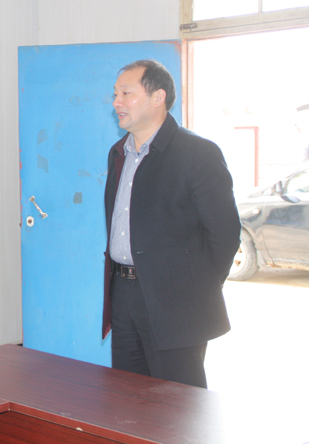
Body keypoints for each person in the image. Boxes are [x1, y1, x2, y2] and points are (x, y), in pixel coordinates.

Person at [103, 59, 240, 388]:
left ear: (158, 97)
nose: (116, 102)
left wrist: (195, 286)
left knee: (178, 401)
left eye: (126, 93)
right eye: (115, 94)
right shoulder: (119, 152)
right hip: (124, 293)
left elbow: (225, 234)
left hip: (177, 302)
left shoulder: (197, 153)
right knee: (128, 396)